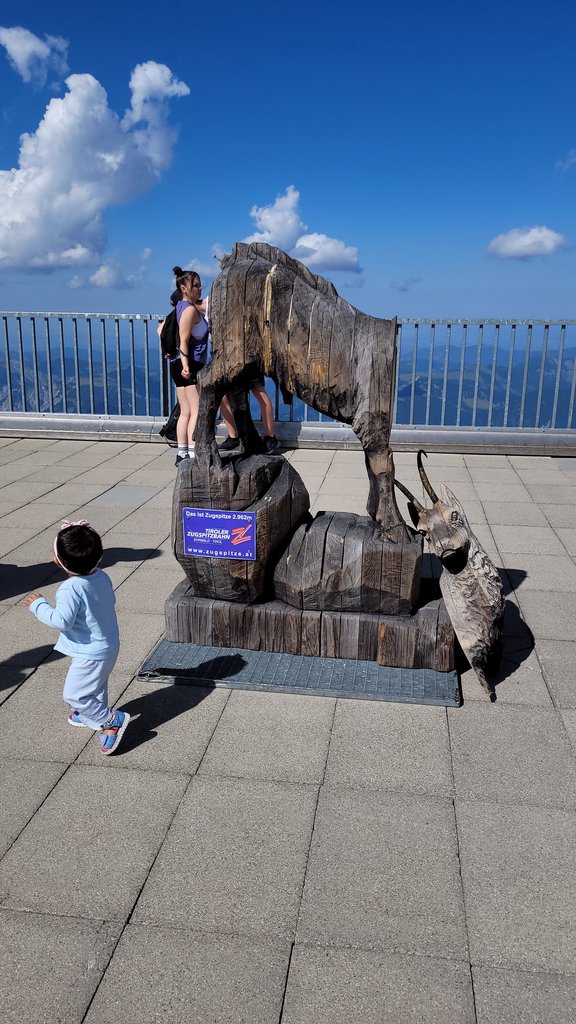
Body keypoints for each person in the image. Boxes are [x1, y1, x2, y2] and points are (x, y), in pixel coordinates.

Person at [23, 520, 130, 755]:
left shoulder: (70, 588)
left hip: (91, 651)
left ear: (58, 560)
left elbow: (62, 621)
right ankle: (90, 716)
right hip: (106, 644)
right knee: (96, 685)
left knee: (74, 694)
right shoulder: (101, 576)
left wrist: (38, 606)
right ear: (99, 558)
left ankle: (111, 720)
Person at [169, 266, 209, 466]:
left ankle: (182, 453)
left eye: (199, 285)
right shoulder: (190, 310)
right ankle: (194, 454)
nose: (199, 288)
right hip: (190, 363)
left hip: (178, 364)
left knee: (185, 411)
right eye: (195, 285)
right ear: (184, 288)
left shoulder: (179, 307)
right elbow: (184, 340)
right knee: (196, 410)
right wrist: (186, 366)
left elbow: (162, 331)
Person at [219, 375, 280, 454]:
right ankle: (233, 437)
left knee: (258, 391)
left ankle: (271, 438)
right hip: (228, 365)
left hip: (251, 365)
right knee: (222, 395)